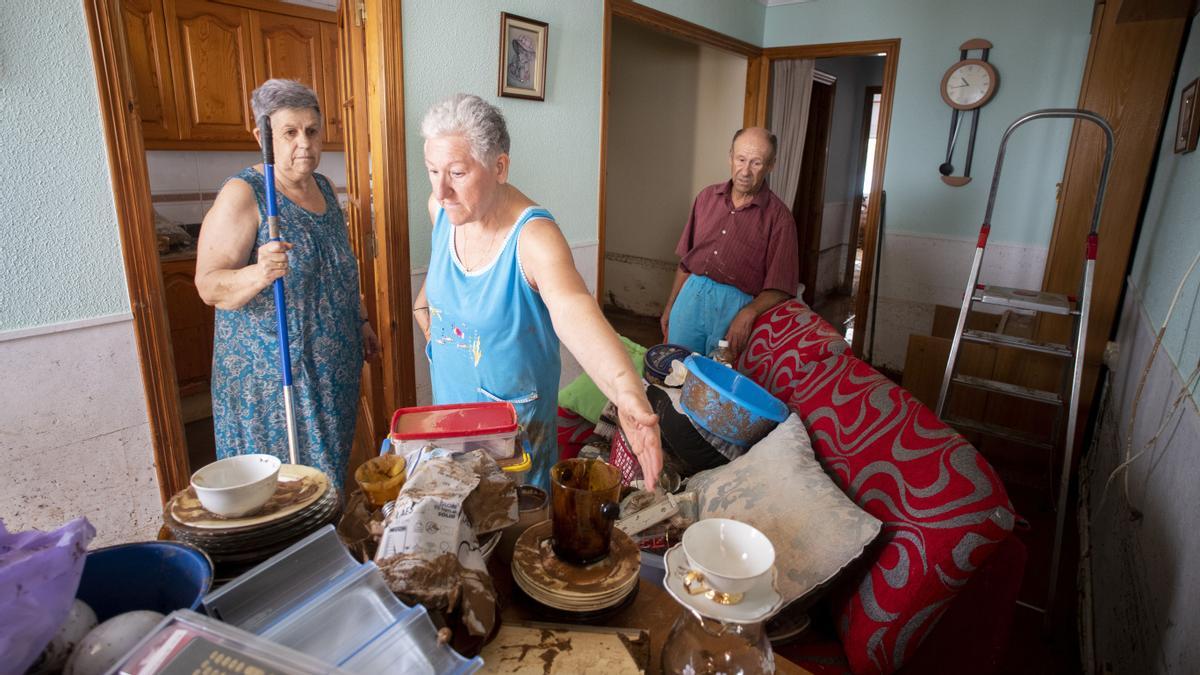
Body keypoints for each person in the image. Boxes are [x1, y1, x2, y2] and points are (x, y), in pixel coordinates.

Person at [414, 93, 663, 491]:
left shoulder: (534, 238)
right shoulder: (440, 210)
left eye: (457, 173)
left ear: (499, 167)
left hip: (514, 437)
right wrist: (427, 309)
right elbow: (446, 280)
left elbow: (575, 313)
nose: (442, 190)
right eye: (431, 171)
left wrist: (628, 393)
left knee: (511, 538)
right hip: (452, 417)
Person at [196, 79, 380, 491]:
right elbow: (209, 286)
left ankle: (326, 547)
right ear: (261, 136)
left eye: (312, 131)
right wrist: (259, 272)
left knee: (325, 480)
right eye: (290, 132)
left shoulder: (327, 190)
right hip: (272, 382)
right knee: (280, 491)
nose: (305, 144)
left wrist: (361, 321)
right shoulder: (244, 194)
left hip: (330, 372)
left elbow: (339, 272)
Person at [662, 127, 799, 358]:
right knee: (676, 370)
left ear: (771, 165)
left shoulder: (780, 218)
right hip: (690, 298)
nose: (745, 170)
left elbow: (781, 287)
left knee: (717, 385)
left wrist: (748, 313)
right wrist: (670, 306)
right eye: (741, 159)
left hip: (735, 309)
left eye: (756, 163)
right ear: (730, 157)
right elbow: (686, 262)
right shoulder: (706, 198)